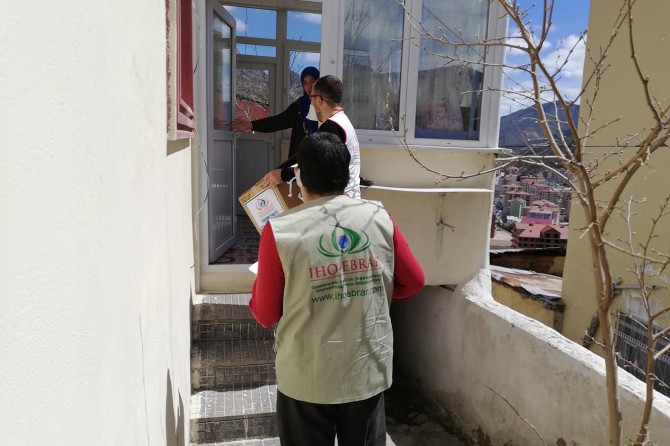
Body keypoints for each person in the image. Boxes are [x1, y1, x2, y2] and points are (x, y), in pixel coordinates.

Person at [249, 133, 425, 446]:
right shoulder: (378, 216)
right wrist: (365, 291)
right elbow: (413, 282)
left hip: (306, 377)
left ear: (299, 175)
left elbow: (265, 314)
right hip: (365, 371)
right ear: (346, 175)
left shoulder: (280, 230)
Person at [232, 66, 320, 189]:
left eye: (313, 81)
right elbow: (278, 121)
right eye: (305, 83)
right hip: (299, 161)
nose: (309, 86)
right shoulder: (299, 106)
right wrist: (251, 125)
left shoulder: (324, 107)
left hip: (318, 162)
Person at [310, 75, 362, 199]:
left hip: (341, 202)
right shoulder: (343, 121)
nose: (311, 102)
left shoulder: (331, 127)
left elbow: (313, 160)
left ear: (319, 100)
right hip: (351, 198)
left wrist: (283, 173)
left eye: (312, 97)